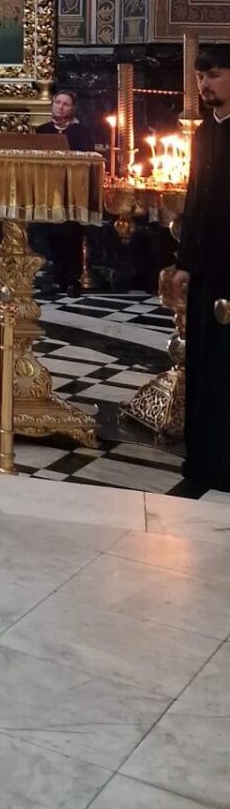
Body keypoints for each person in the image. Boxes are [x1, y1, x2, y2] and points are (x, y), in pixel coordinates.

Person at [170, 43, 230, 492]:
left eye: (213, 75)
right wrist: (184, 263)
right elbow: (194, 198)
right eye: (200, 77)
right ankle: (204, 460)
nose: (204, 85)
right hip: (207, 270)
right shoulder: (205, 132)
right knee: (204, 363)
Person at [35, 89, 95, 295]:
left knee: (71, 232)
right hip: (50, 187)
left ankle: (72, 279)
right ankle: (57, 277)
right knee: (53, 233)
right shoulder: (43, 130)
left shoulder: (81, 132)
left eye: (65, 104)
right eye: (57, 102)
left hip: (73, 187)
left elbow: (88, 158)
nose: (60, 107)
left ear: (73, 108)